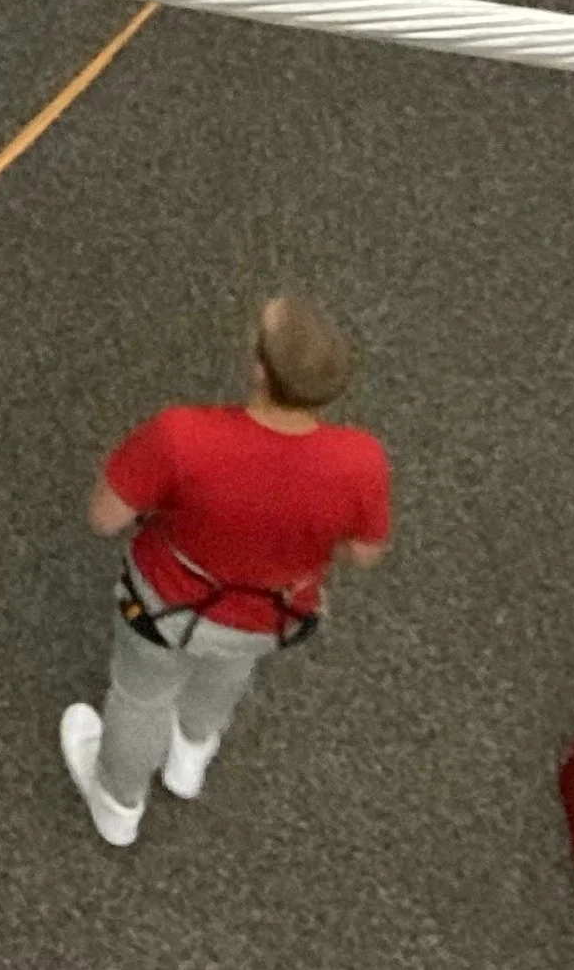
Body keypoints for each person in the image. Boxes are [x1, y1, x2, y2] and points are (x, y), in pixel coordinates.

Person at [60, 294, 392, 848]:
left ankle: (118, 802)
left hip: (167, 602)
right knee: (227, 672)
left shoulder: (181, 437)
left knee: (141, 695)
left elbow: (104, 518)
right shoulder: (362, 460)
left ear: (260, 369)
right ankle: (190, 754)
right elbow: (364, 553)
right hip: (274, 614)